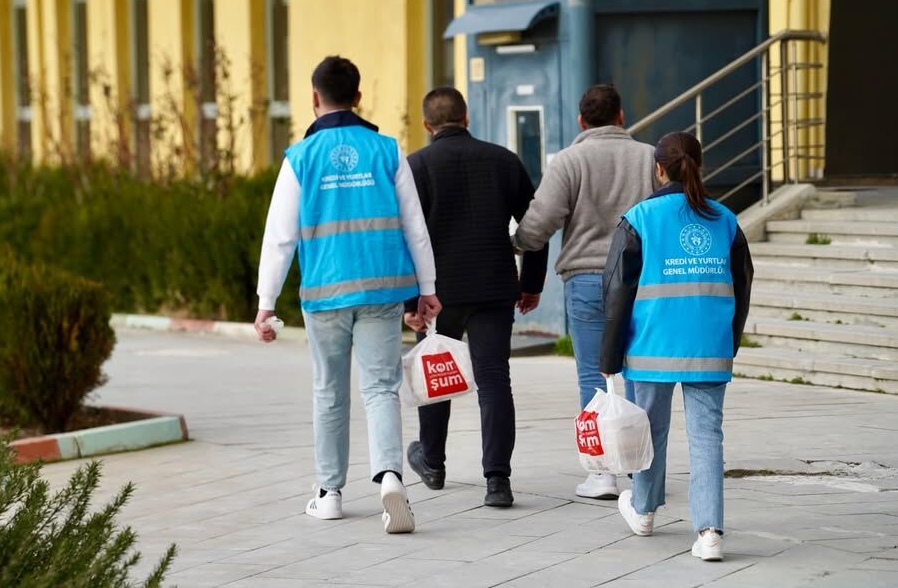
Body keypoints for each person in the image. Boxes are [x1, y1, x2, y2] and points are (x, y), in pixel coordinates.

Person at [253, 55, 441, 535]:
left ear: (314, 98)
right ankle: (391, 479)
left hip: (325, 293)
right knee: (381, 388)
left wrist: (265, 302)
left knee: (329, 391)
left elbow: (280, 236)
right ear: (358, 97)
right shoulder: (387, 150)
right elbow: (415, 226)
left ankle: (330, 493)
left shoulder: (301, 157)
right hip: (382, 289)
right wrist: (428, 289)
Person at [599, 131, 753, 561]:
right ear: (698, 166)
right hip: (709, 347)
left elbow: (616, 291)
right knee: (707, 438)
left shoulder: (640, 218)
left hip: (652, 347)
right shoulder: (724, 220)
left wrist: (609, 356)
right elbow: (743, 284)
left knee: (651, 431)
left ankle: (645, 510)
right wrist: (731, 339)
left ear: (659, 168)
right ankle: (709, 534)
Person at [400, 87, 549, 508]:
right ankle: (497, 481)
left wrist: (411, 303)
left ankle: (432, 462)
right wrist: (530, 283)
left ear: (428, 125)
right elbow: (534, 225)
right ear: (467, 118)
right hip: (494, 287)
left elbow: (406, 239)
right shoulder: (504, 160)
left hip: (438, 293)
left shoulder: (416, 166)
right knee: (494, 378)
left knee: (434, 376)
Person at [512, 84, 655, 500]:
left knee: (594, 374)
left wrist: (518, 243)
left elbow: (541, 220)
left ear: (581, 121)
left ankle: (603, 474)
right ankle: (641, 466)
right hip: (640, 275)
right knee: (642, 370)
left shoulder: (570, 161)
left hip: (588, 278)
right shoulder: (648, 157)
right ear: (621, 116)